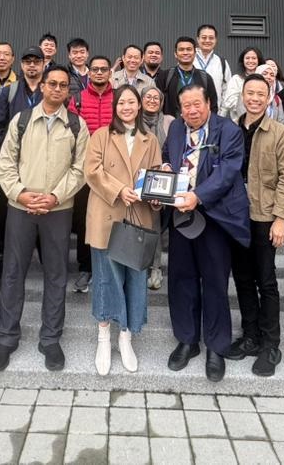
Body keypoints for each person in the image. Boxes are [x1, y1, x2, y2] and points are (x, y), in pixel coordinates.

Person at [0, 66, 89, 372]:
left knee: (56, 275)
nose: (58, 89)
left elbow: (81, 168)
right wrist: (20, 194)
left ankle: (50, 339)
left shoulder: (76, 124)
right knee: (12, 273)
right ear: (42, 87)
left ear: (68, 92)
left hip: (57, 211)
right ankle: (7, 338)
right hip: (21, 209)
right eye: (52, 84)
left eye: (63, 85)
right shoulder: (21, 121)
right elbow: (5, 163)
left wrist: (54, 197)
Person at [163, 83, 250, 382]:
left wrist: (197, 196)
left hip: (215, 217)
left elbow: (228, 171)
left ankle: (216, 345)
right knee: (181, 279)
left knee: (214, 282)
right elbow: (168, 156)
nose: (192, 110)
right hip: (180, 216)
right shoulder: (176, 129)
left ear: (209, 103)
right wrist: (164, 169)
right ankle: (187, 340)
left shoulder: (228, 130)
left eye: (197, 104)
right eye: (186, 105)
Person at [83, 84, 162, 375]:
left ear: (140, 106)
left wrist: (156, 196)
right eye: (121, 102)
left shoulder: (149, 138)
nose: (126, 107)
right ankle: (104, 335)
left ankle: (126, 336)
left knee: (135, 278)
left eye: (132, 102)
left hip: (138, 216)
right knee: (105, 276)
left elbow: (155, 174)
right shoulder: (101, 135)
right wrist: (119, 190)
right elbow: (92, 171)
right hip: (107, 213)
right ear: (114, 106)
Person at [226, 75, 284, 376]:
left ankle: (271, 344)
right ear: (242, 96)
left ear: (269, 98)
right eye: (250, 93)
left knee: (266, 281)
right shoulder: (231, 130)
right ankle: (251, 336)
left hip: (265, 217)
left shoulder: (279, 133)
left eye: (260, 94)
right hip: (236, 217)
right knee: (242, 279)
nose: (254, 98)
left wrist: (282, 218)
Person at [0, 47, 47, 289]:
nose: (32, 66)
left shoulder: (51, 89)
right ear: (21, 65)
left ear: (44, 64)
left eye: (37, 61)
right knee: (6, 215)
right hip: (14, 162)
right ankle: (5, 266)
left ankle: (48, 263)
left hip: (44, 162)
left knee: (44, 211)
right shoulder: (9, 91)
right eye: (28, 62)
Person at [68, 55, 115, 293]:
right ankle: (86, 267)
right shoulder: (76, 99)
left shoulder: (118, 97)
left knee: (113, 218)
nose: (98, 73)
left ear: (109, 72)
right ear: (89, 73)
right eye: (94, 69)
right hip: (85, 169)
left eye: (103, 69)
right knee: (85, 220)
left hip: (114, 170)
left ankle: (110, 267)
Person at [140, 86, 174, 291]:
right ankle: (138, 265)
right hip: (137, 177)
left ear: (161, 102)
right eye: (148, 97)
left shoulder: (170, 122)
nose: (152, 100)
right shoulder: (133, 121)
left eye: (156, 98)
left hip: (161, 179)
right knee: (137, 223)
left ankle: (155, 267)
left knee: (154, 225)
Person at [158, 37, 219, 118]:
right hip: (171, 125)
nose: (185, 52)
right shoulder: (165, 76)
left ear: (195, 53)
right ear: (175, 54)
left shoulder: (205, 78)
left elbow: (213, 106)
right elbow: (157, 104)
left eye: (189, 49)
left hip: (199, 126)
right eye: (181, 49)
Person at [220, 47, 264, 121]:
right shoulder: (236, 79)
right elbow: (229, 102)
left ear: (258, 60)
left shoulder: (264, 79)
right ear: (243, 60)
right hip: (239, 122)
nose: (250, 61)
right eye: (247, 58)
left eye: (254, 58)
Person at [195, 24, 232, 103]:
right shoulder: (189, 60)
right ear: (198, 39)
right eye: (204, 37)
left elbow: (228, 90)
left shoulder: (222, 62)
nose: (207, 40)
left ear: (215, 40)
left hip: (215, 112)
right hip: (192, 111)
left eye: (211, 38)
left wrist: (222, 112)